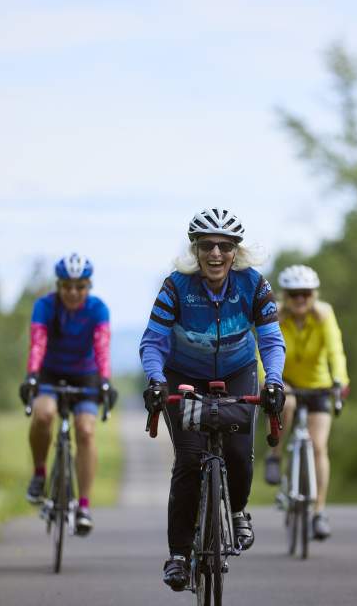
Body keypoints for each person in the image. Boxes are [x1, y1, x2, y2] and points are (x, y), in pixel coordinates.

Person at [140, 208, 286, 591]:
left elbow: (270, 340)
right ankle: (177, 556)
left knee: (238, 454)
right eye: (207, 245)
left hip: (238, 371)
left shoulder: (253, 285)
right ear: (196, 250)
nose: (216, 253)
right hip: (184, 375)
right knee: (189, 459)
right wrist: (156, 381)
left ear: (236, 251)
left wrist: (274, 380)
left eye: (224, 245)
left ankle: (237, 511)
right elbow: (153, 341)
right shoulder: (176, 287)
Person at [19, 252, 117, 536]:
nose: (73, 292)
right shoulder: (45, 306)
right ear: (58, 285)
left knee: (85, 431)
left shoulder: (98, 309)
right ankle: (39, 473)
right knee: (43, 414)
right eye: (67, 286)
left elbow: (102, 347)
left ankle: (83, 505)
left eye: (80, 286)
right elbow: (37, 342)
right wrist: (32, 375)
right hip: (50, 373)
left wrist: (106, 381)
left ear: (89, 286)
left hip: (86, 375)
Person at [263, 264, 349, 540]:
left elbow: (335, 350)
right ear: (285, 295)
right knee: (284, 404)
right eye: (294, 294)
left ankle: (319, 512)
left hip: (319, 386)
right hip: (285, 382)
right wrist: (269, 379)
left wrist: (340, 381)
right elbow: (261, 348)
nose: (300, 299)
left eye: (306, 294)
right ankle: (275, 455)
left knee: (318, 447)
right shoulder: (273, 314)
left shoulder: (324, 315)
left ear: (314, 294)